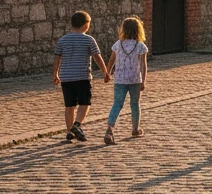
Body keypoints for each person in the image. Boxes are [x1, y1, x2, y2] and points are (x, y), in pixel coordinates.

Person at [52, 10, 110, 142]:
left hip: (66, 77)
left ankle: (69, 132)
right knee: (85, 102)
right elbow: (97, 57)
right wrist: (105, 72)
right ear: (86, 25)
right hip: (82, 76)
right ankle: (76, 125)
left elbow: (57, 58)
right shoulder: (89, 40)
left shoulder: (62, 40)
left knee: (69, 105)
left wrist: (55, 74)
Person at [103, 16, 149, 144]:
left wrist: (107, 72)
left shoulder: (118, 44)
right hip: (135, 79)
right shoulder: (141, 46)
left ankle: (110, 129)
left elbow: (111, 60)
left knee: (117, 104)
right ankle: (135, 129)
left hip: (119, 79)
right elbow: (143, 65)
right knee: (135, 104)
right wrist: (143, 81)